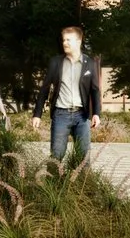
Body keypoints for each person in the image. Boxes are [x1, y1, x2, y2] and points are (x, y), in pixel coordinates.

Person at [37, 23, 102, 163]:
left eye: (68, 40)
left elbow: (95, 90)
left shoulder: (90, 63)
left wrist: (96, 113)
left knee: (83, 159)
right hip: (61, 115)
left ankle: (81, 184)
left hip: (82, 117)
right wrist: (37, 115)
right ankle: (53, 183)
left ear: (78, 41)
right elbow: (45, 89)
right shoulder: (56, 62)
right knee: (56, 157)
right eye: (63, 40)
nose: (64, 43)